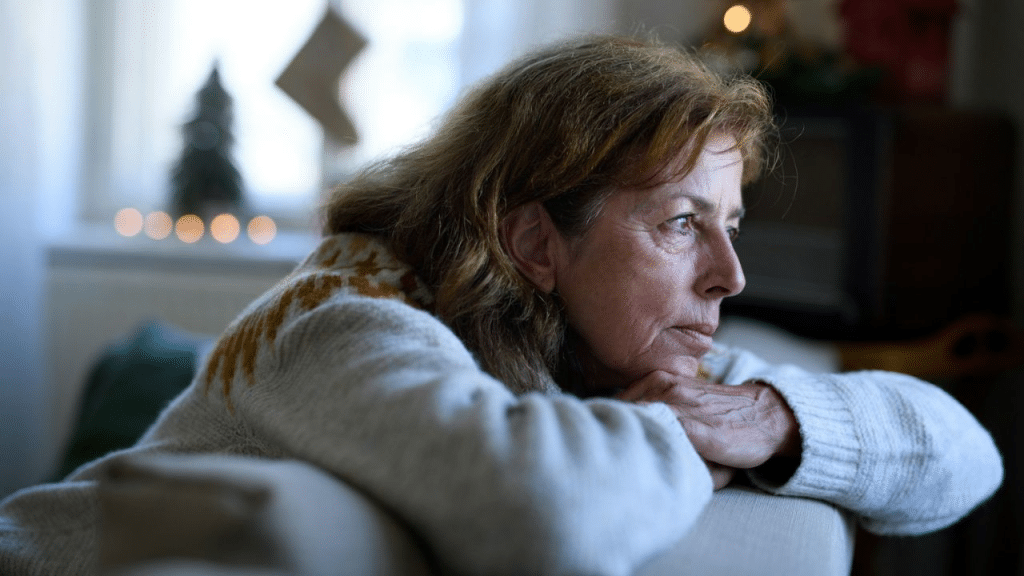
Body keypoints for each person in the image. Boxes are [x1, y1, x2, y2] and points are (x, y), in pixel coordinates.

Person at [0, 35, 1002, 576]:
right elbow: (543, 518)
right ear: (532, 244)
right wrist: (675, 430)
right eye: (682, 225)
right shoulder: (345, 327)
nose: (730, 277)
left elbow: (965, 456)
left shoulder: (615, 347)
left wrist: (775, 421)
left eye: (729, 223)